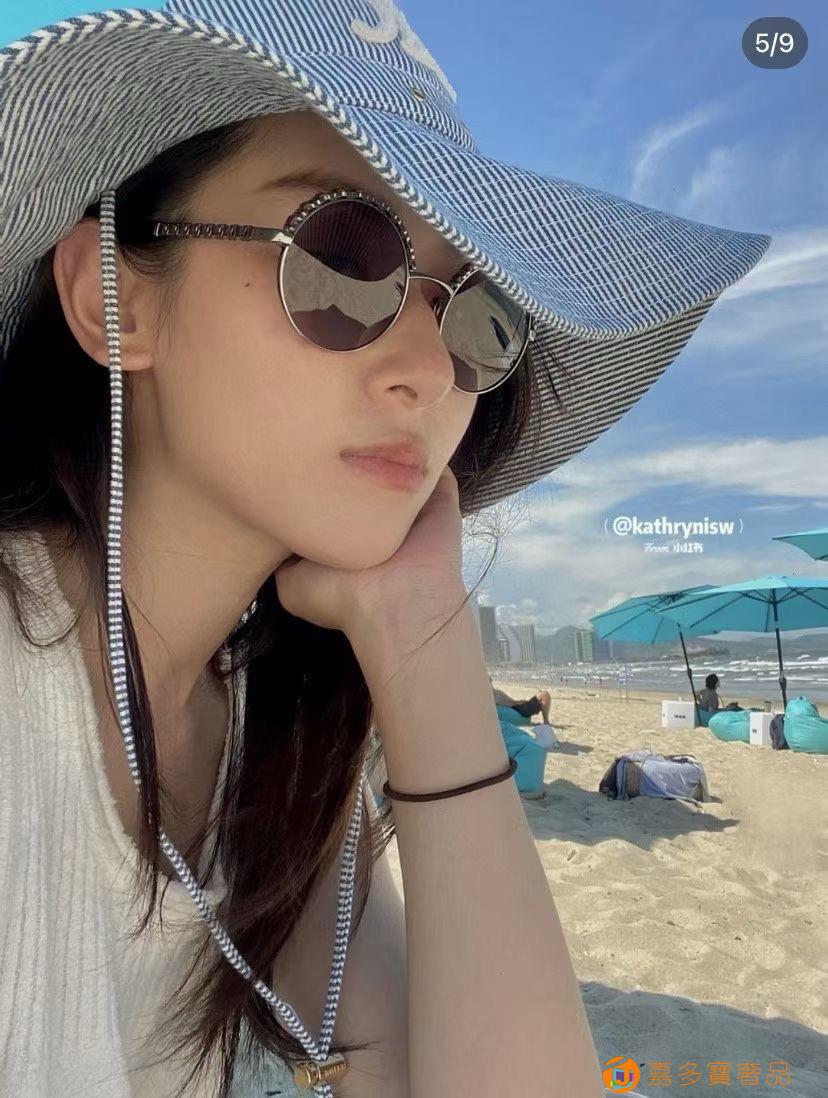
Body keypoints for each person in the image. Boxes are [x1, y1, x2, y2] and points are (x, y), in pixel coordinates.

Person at [0, 1, 772, 1095]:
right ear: (111, 299)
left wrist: (424, 633)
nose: (428, 371)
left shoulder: (269, 751)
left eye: (481, 318)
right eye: (343, 260)